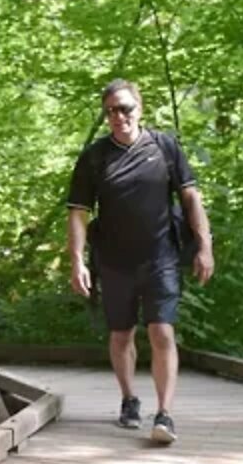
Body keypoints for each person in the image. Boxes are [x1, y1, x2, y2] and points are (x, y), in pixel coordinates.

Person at [65, 79, 213, 444]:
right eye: (111, 111)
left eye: (125, 108)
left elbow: (191, 198)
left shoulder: (165, 147)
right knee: (121, 334)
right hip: (113, 260)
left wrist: (204, 246)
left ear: (140, 109)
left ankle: (164, 414)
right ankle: (129, 399)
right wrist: (77, 261)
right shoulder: (94, 157)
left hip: (160, 255)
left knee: (162, 330)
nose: (119, 116)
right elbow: (78, 214)